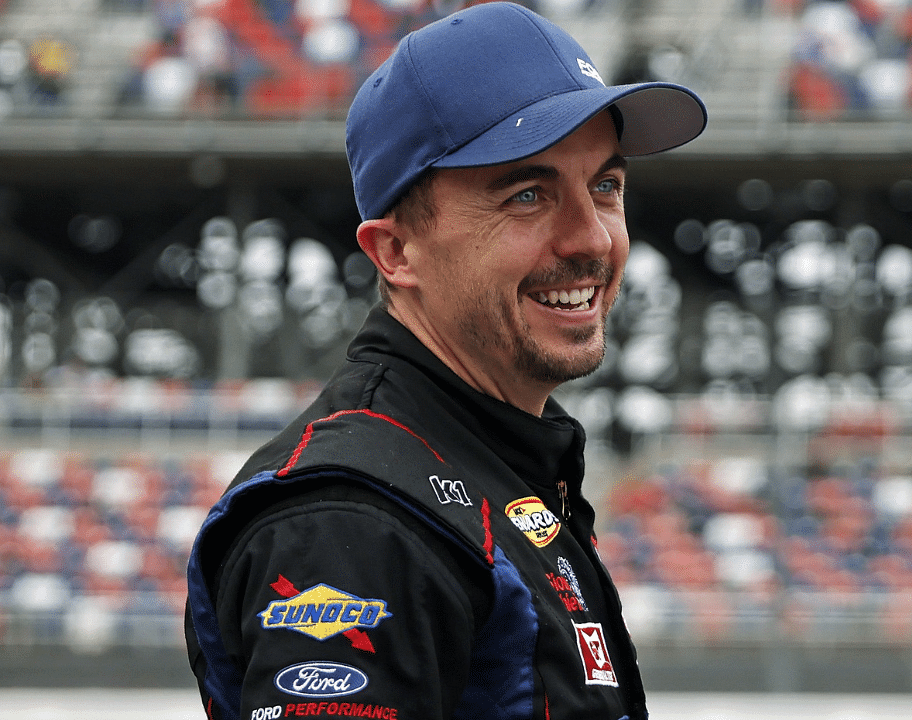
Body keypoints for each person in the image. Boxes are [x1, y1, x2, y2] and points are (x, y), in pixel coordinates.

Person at [184, 3, 706, 720]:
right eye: (528, 195)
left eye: (606, 187)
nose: (592, 239)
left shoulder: (487, 461)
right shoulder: (355, 521)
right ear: (396, 253)